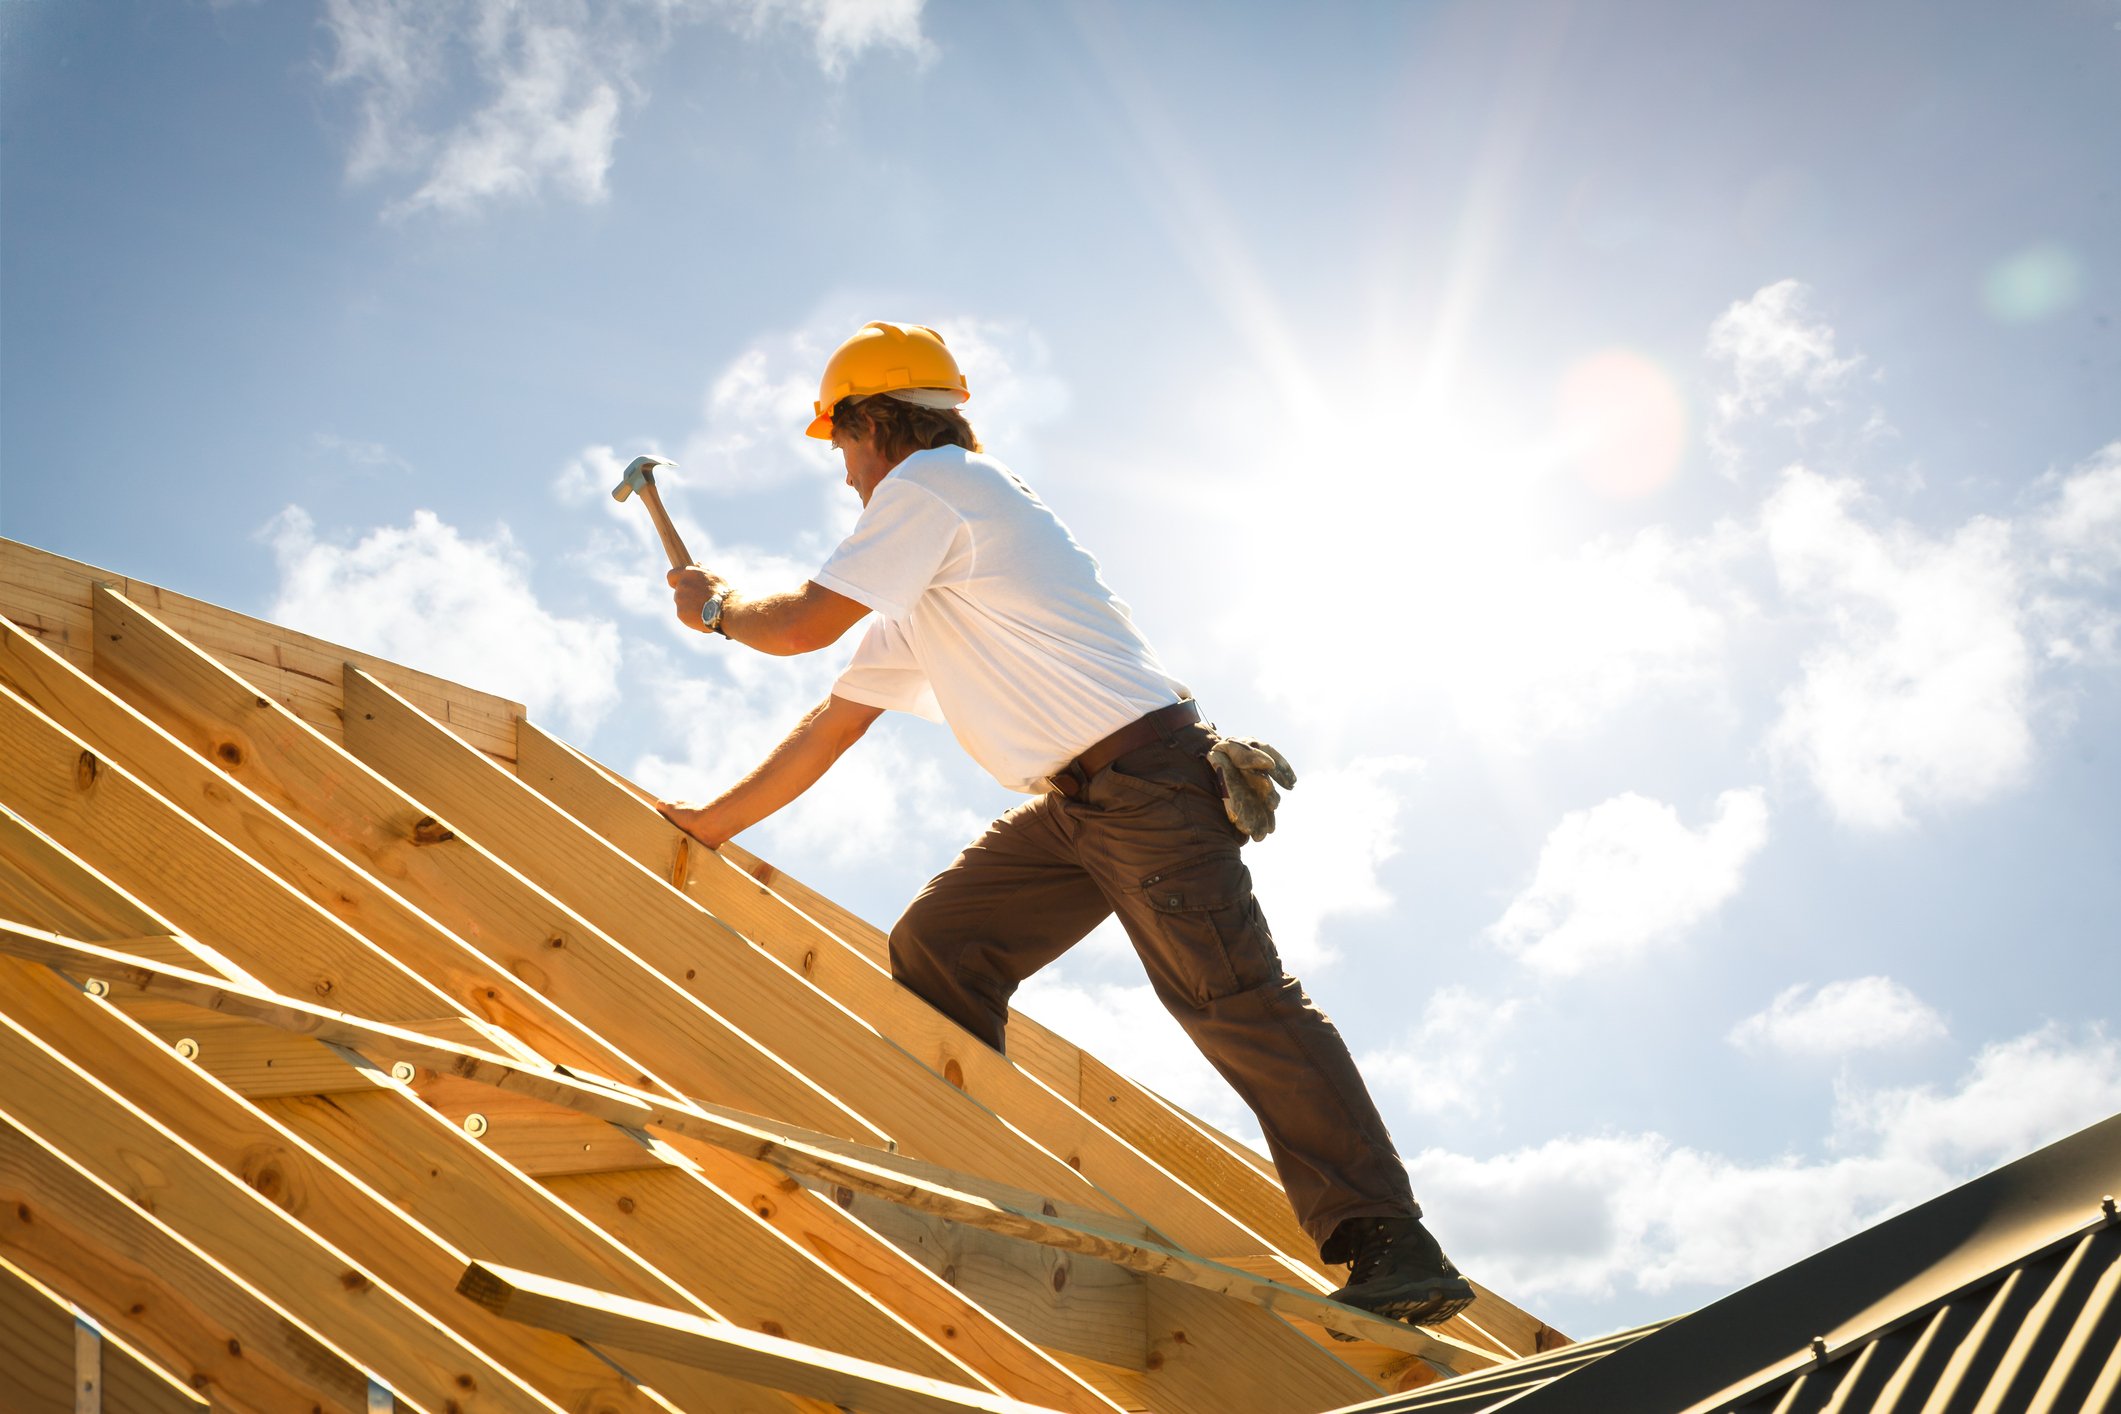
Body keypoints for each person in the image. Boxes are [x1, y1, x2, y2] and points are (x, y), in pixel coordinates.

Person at [656, 320, 1474, 1328]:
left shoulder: (933, 492)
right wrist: (708, 824)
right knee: (941, 942)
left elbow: (797, 626)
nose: (845, 473)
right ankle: (975, 1169)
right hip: (1080, 805)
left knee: (1234, 1001)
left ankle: (1391, 1242)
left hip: (1148, 786)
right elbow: (833, 722)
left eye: (841, 444)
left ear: (874, 425)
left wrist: (714, 608)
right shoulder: (931, 562)